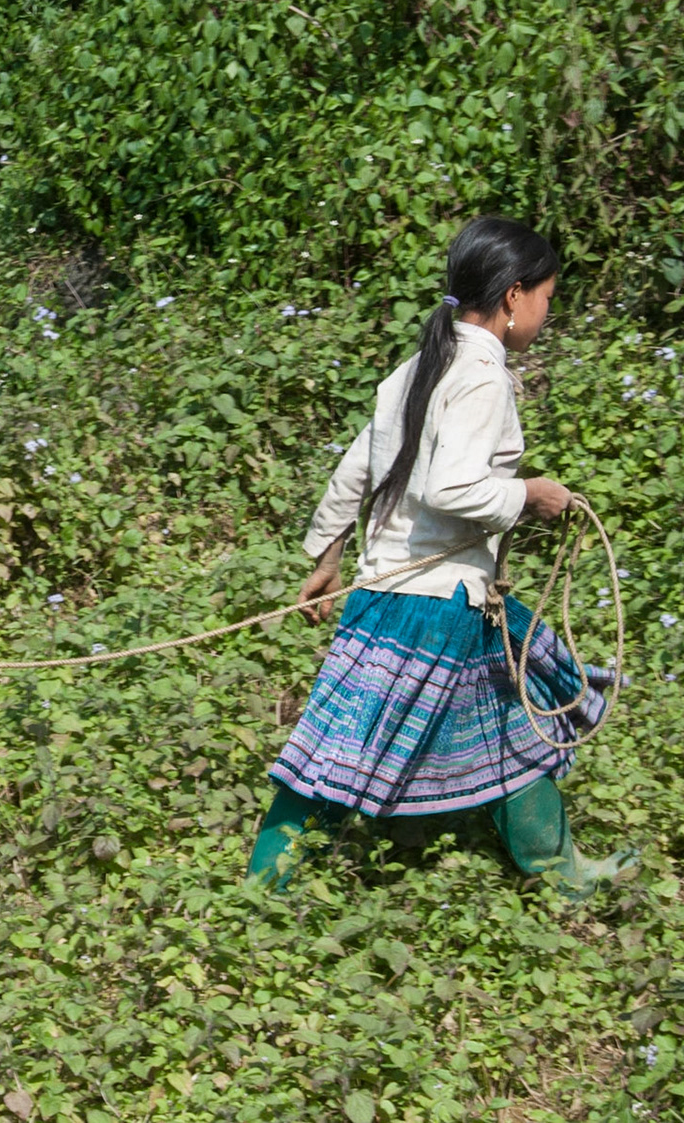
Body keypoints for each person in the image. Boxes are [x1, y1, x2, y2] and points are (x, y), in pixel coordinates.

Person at [248, 216, 638, 898]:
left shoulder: (415, 368)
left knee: (507, 727)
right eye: (546, 295)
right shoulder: (482, 376)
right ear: (514, 296)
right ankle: (266, 891)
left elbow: (355, 468)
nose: (547, 310)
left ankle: (559, 871)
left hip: (391, 592)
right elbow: (450, 485)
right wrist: (530, 495)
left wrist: (329, 553)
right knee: (347, 748)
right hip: (436, 606)